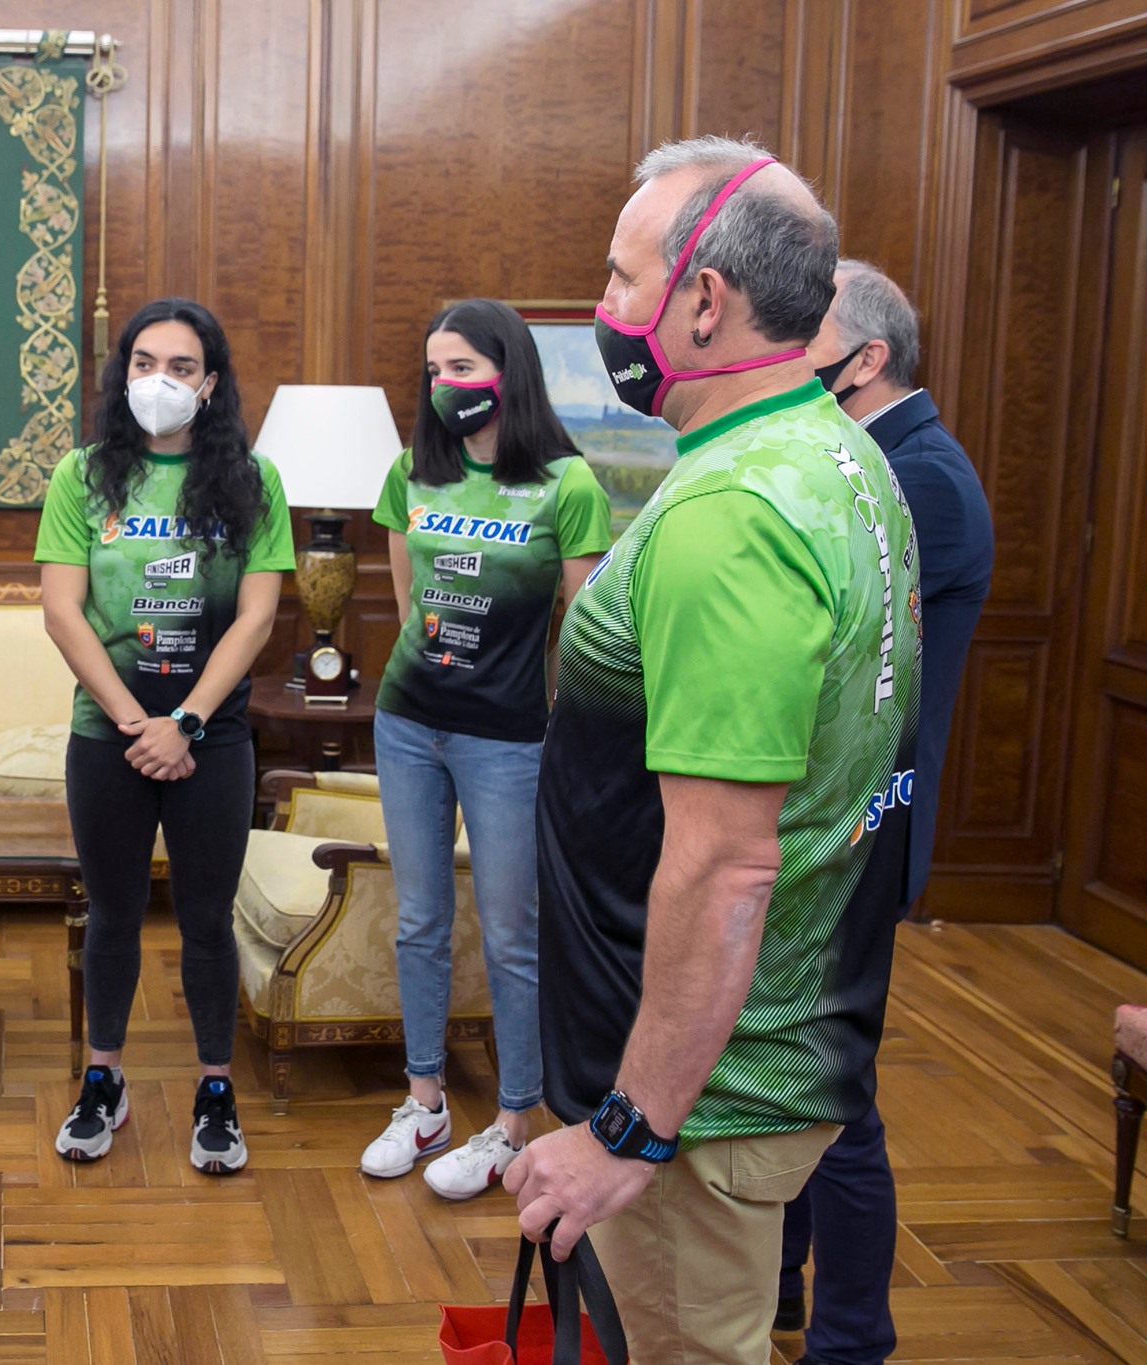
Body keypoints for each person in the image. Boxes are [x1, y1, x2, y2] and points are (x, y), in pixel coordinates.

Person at [506, 136, 920, 1365]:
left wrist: (625, 1131)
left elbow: (727, 862)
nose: (602, 311)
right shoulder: (839, 456)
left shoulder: (732, 516)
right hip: (751, 1056)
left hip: (697, 1103)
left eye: (621, 279)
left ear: (701, 299)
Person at [776, 260, 994, 1364]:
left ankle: (851, 1339)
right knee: (786, 1088)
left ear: (862, 359)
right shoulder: (868, 460)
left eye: (800, 334)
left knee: (830, 1099)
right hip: (823, 830)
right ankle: (775, 1288)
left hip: (857, 836)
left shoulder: (918, 481)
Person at [358, 299, 612, 1196]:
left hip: (508, 738)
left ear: (507, 370)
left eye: (461, 368)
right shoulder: (410, 473)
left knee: (511, 932)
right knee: (419, 920)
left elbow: (581, 629)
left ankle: (513, 1120)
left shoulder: (566, 485)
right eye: (432, 370)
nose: (443, 386)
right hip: (406, 721)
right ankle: (423, 1102)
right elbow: (404, 598)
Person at [34, 298, 294, 1174]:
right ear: (123, 372)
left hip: (210, 742)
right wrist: (133, 722)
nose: (160, 381)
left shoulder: (254, 483)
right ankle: (102, 1078)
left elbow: (257, 618)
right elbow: (62, 610)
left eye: (181, 367)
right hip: (107, 736)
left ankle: (214, 1089)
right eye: (144, 362)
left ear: (210, 384)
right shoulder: (83, 474)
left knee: (205, 920)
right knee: (110, 914)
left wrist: (183, 722)